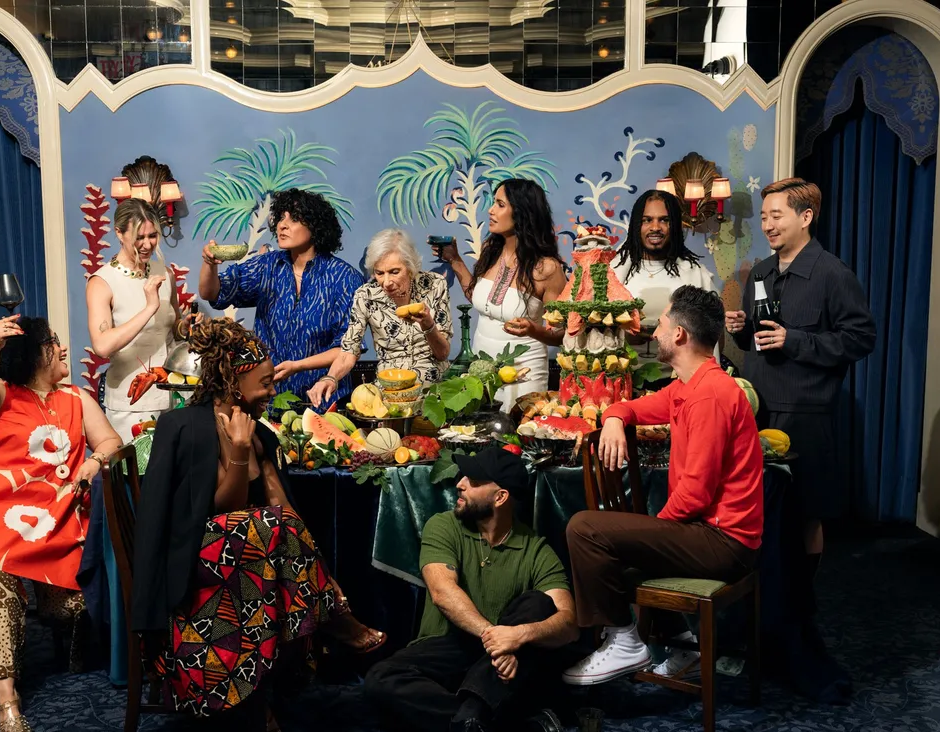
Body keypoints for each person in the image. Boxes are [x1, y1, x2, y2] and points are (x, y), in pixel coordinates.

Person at [132, 318, 385, 732]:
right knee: (267, 529)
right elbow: (223, 509)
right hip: (195, 561)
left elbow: (282, 507)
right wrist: (237, 450)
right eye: (265, 383)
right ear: (234, 381)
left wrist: (318, 572)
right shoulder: (185, 427)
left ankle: (259, 696)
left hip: (250, 560)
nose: (272, 391)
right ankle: (332, 623)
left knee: (277, 528)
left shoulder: (262, 432)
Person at [0, 314, 123, 732]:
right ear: (35, 353)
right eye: (53, 341)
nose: (63, 348)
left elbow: (111, 442)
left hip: (56, 517)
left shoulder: (76, 398)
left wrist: (95, 460)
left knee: (78, 603)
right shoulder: (0, 392)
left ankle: (61, 623)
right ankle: (7, 700)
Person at [563, 285, 763, 684]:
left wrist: (651, 532)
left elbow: (695, 496)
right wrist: (614, 418)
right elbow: (634, 406)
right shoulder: (688, 385)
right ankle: (682, 642)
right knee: (620, 538)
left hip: (724, 543)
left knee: (585, 529)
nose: (654, 332)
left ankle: (624, 640)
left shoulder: (710, 395)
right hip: (706, 532)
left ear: (680, 335)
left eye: (662, 324)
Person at [364, 447, 578, 732]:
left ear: (500, 497)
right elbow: (443, 592)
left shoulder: (536, 549)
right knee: (379, 682)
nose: (460, 484)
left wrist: (518, 635)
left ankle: (470, 718)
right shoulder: (443, 525)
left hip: (500, 661)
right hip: (452, 647)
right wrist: (493, 639)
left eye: (473, 480)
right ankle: (510, 720)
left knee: (539, 604)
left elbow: (568, 622)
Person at [725, 178, 875, 621]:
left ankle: (800, 605)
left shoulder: (833, 274)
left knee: (806, 511)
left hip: (805, 413)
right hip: (757, 410)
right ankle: (764, 597)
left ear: (806, 217)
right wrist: (741, 330)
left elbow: (860, 338)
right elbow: (757, 340)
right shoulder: (760, 273)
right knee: (758, 508)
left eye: (777, 216)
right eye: (764, 217)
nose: (767, 225)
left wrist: (796, 341)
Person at [198, 188, 364, 407]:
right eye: (280, 218)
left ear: (316, 226)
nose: (282, 225)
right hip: (271, 398)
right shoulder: (266, 266)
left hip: (325, 399)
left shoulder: (345, 278)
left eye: (293, 219)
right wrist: (209, 264)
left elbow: (347, 348)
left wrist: (297, 365)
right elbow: (211, 293)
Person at [433, 179, 567, 408]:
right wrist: (454, 260)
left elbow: (562, 334)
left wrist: (533, 329)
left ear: (522, 213)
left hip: (524, 373)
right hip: (481, 371)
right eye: (493, 203)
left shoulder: (547, 268)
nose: (491, 210)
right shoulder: (491, 250)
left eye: (500, 204)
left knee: (517, 429)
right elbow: (482, 300)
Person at [307, 229, 453, 407]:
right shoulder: (365, 295)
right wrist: (330, 378)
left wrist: (428, 325)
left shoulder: (435, 285)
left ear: (410, 267)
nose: (386, 282)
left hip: (434, 392)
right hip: (389, 393)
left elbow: (442, 353)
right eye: (379, 273)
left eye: (394, 272)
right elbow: (348, 351)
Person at [86, 198, 180, 442]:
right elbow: (102, 346)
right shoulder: (102, 282)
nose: (147, 244)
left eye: (153, 236)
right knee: (140, 467)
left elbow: (175, 331)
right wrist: (149, 308)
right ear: (119, 233)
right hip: (132, 405)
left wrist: (187, 326)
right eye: (140, 237)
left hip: (174, 397)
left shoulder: (164, 273)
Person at [611, 189, 716, 377]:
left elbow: (713, 337)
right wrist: (623, 336)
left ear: (674, 225)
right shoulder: (614, 273)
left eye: (664, 220)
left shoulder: (696, 274)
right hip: (623, 379)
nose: (655, 227)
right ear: (636, 225)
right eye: (647, 220)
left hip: (680, 381)